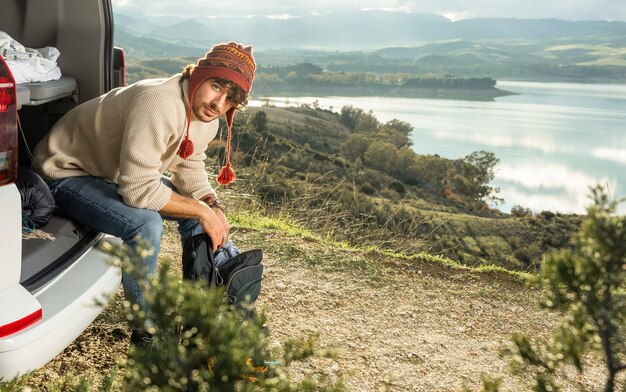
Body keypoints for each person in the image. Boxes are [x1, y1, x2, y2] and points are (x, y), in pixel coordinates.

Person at [32, 42, 256, 343]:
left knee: (195, 214)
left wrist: (210, 204)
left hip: (107, 174)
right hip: (62, 173)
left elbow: (189, 168)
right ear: (198, 76)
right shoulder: (160, 102)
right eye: (216, 86)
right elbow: (138, 192)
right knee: (145, 224)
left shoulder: (205, 118)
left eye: (231, 99)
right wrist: (201, 210)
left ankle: (200, 316)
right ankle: (146, 334)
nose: (219, 103)